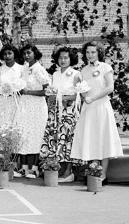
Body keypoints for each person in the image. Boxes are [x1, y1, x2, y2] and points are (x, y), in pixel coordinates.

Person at [70, 41, 123, 183]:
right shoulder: (83, 71)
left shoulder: (106, 67)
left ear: (99, 52)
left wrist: (92, 98)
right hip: (89, 108)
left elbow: (110, 87)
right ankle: (94, 172)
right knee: (92, 138)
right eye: (87, 52)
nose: (90, 55)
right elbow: (82, 91)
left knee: (103, 138)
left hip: (101, 106)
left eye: (93, 52)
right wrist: (79, 89)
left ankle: (103, 174)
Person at [40, 46, 81, 182]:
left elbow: (78, 95)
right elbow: (52, 92)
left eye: (66, 57)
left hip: (68, 112)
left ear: (71, 59)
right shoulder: (56, 74)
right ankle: (56, 169)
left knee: (67, 140)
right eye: (60, 57)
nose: (62, 60)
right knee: (55, 139)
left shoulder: (76, 74)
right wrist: (51, 97)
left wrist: (62, 98)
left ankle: (69, 172)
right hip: (55, 112)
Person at [13, 44, 50, 179]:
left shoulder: (39, 69)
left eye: (29, 53)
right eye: (24, 54)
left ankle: (34, 169)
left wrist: (28, 92)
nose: (26, 56)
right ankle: (23, 168)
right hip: (24, 105)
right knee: (23, 133)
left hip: (37, 106)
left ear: (35, 53)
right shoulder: (25, 68)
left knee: (35, 135)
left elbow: (47, 91)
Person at [0, 44, 23, 125]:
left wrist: (15, 90)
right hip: (3, 102)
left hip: (18, 101)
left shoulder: (22, 69)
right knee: (3, 126)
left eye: (9, 53)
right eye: (5, 54)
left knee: (17, 126)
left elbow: (24, 87)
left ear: (14, 54)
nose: (7, 56)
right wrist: (4, 90)